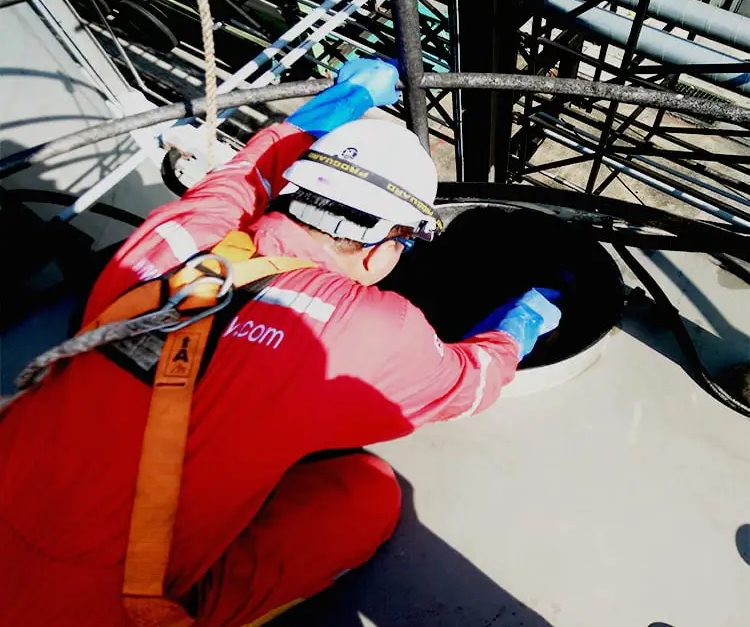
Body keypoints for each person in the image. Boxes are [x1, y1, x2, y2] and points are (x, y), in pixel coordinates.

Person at [0, 58, 560, 627]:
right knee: (366, 496)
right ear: (378, 248)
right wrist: (518, 327)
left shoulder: (176, 233)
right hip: (92, 611)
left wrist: (335, 107)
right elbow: (468, 382)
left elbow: (247, 174)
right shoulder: (368, 329)